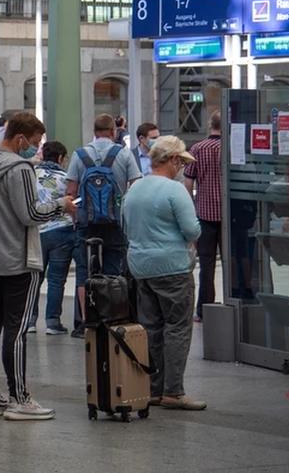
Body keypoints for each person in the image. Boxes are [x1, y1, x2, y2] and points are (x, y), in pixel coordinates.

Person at [0, 112, 75, 421]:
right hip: (17, 260)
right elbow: (30, 214)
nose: (36, 149)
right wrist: (60, 205)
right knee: (16, 330)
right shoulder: (21, 168)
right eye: (36, 142)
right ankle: (20, 399)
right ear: (21, 138)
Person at [122, 136, 206, 411]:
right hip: (173, 267)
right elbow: (192, 230)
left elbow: (126, 228)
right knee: (177, 329)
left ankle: (154, 389)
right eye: (181, 161)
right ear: (172, 160)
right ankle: (173, 392)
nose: (182, 166)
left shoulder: (134, 189)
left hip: (141, 267)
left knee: (151, 329)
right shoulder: (176, 190)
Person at [66, 113, 143, 337]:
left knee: (83, 272)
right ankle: (111, 319)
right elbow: (135, 187)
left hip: (86, 222)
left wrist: (76, 217)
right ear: (113, 132)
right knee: (113, 271)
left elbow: (70, 192)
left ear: (94, 131)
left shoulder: (79, 155)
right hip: (115, 222)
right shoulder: (124, 154)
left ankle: (85, 323)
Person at [27, 141, 77, 335]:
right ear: (60, 158)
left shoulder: (31, 175)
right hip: (61, 232)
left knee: (34, 280)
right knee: (56, 279)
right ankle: (53, 323)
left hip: (35, 232)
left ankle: (30, 321)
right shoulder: (66, 179)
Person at [184, 112, 223, 321]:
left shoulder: (197, 149)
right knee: (231, 264)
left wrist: (192, 206)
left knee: (206, 266)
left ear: (209, 125)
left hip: (205, 216)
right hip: (229, 219)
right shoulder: (230, 149)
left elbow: (188, 183)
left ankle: (203, 310)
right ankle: (232, 307)